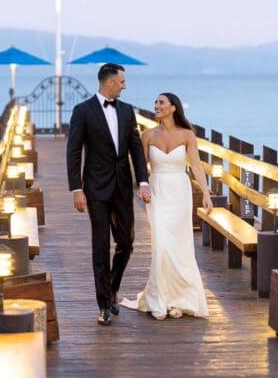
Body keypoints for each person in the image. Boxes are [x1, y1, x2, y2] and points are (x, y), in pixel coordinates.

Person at [66, 63, 151, 327]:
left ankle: (112, 286)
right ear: (109, 82)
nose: (125, 86)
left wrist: (143, 181)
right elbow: (74, 152)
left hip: (123, 186)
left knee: (127, 242)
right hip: (95, 188)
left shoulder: (127, 111)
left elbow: (136, 148)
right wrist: (76, 188)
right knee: (100, 246)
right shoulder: (83, 111)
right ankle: (103, 305)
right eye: (122, 81)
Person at [120, 93, 212, 320]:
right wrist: (139, 187)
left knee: (180, 245)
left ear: (173, 107)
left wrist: (207, 194)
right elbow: (141, 166)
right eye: (156, 103)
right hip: (158, 190)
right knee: (161, 244)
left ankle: (180, 299)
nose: (156, 106)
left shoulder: (187, 134)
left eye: (161, 103)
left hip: (180, 192)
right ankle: (158, 299)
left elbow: (197, 167)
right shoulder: (148, 134)